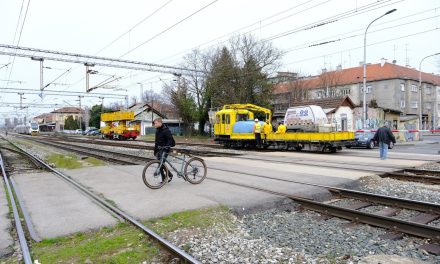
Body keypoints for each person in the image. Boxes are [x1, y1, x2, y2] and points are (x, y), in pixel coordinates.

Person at [153, 118, 175, 182]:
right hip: (159, 149)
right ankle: (170, 175)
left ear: (160, 123)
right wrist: (155, 150)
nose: (155, 124)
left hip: (165, 149)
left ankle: (164, 179)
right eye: (154, 123)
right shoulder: (157, 130)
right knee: (161, 164)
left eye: (156, 123)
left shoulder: (166, 130)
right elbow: (156, 142)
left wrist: (167, 147)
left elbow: (170, 140)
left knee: (161, 164)